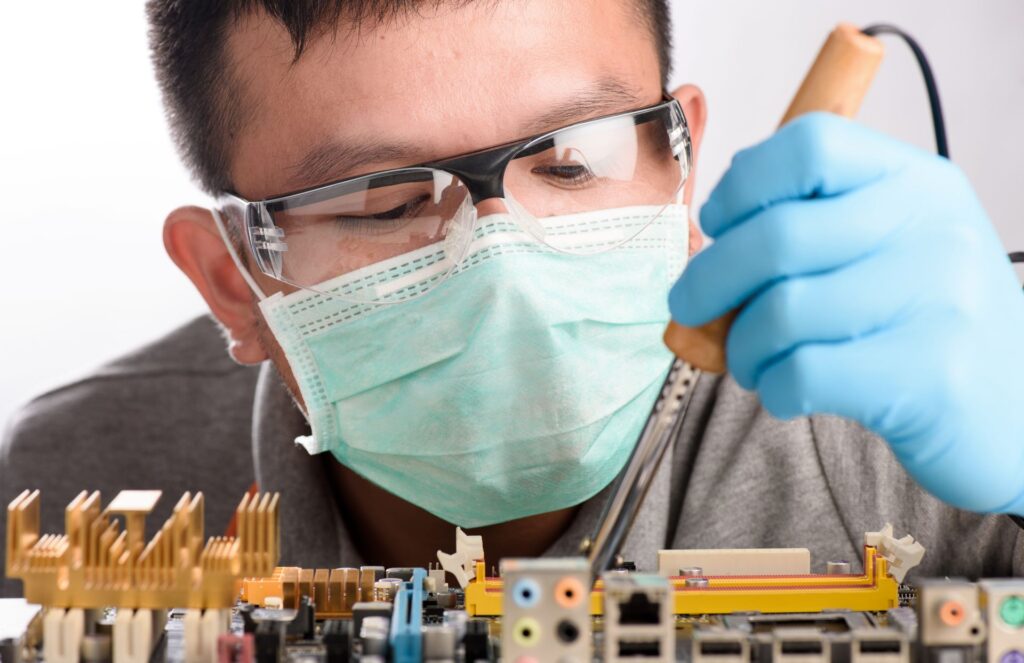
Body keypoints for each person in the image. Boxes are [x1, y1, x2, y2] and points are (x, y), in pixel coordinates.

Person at [3, 0, 1023, 597]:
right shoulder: (69, 502)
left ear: (680, 158)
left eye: (573, 163)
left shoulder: (905, 433)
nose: (508, 270)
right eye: (384, 202)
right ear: (236, 277)